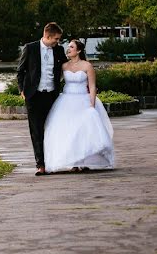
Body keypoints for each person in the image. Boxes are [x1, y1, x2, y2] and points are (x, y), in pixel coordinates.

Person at [42, 39, 115, 172]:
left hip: (83, 100)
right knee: (69, 131)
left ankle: (84, 160)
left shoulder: (87, 66)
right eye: (68, 47)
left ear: (79, 50)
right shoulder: (64, 66)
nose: (68, 49)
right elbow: (55, 82)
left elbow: (92, 87)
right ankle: (73, 162)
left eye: (71, 47)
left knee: (83, 132)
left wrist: (92, 105)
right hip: (66, 101)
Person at [16, 22, 67, 176]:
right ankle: (40, 164)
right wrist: (22, 90)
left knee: (53, 129)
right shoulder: (30, 48)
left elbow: (67, 67)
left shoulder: (59, 50)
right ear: (47, 36)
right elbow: (20, 71)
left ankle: (53, 161)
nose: (57, 42)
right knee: (36, 130)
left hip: (51, 95)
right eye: (56, 39)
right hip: (34, 96)